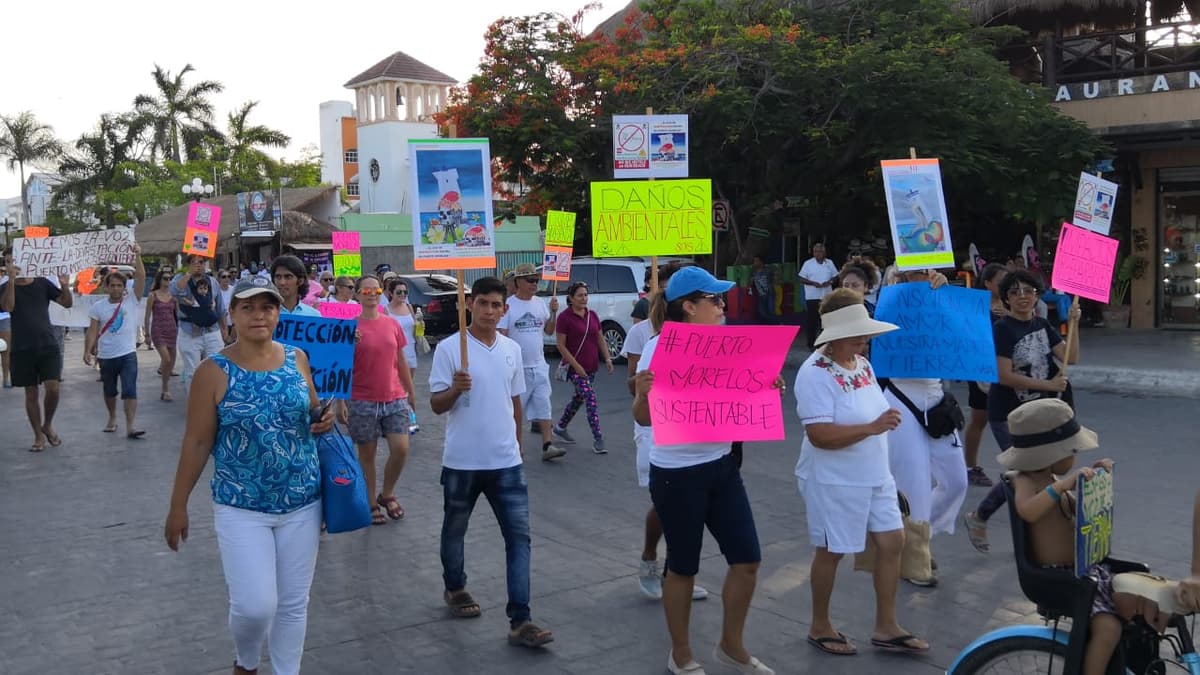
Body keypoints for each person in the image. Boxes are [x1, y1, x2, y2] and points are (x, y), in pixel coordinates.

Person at [164, 276, 333, 675]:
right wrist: (178, 506)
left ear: (278, 312)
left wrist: (322, 421)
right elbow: (197, 442)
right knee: (256, 606)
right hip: (241, 506)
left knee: (294, 604)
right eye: (248, 307)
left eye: (267, 307)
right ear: (232, 314)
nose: (259, 315)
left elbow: (312, 412)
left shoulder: (298, 358)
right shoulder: (213, 370)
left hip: (302, 502)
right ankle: (246, 662)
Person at [633, 266, 779, 675]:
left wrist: (767, 385)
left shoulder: (731, 345)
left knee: (747, 559)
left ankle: (732, 645)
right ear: (689, 307)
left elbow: (745, 395)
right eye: (714, 300)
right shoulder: (659, 348)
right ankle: (680, 653)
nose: (721, 305)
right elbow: (643, 418)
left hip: (722, 465)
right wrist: (644, 393)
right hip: (676, 473)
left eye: (721, 299)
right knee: (683, 566)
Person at [795, 288, 929, 657]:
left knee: (893, 541)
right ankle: (819, 625)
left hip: (874, 476)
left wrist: (880, 446)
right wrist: (871, 428)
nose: (866, 339)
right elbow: (819, 435)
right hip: (832, 479)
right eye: (859, 333)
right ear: (836, 335)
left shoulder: (864, 365)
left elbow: (876, 418)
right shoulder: (814, 373)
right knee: (831, 551)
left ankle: (886, 626)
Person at [429, 276, 554, 649]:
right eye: (482, 303)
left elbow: (515, 402)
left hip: (506, 464)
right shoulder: (451, 350)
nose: (488, 311)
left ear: (504, 309)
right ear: (470, 306)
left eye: (495, 305)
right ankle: (455, 587)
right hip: (462, 462)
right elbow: (436, 404)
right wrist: (455, 389)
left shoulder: (511, 349)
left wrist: (516, 445)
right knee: (455, 529)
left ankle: (521, 619)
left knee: (519, 539)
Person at [1002, 398, 1167, 675]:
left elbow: (1077, 512)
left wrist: (1095, 482)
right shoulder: (1025, 480)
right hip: (1061, 577)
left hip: (1086, 569)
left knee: (1147, 598)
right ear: (1050, 453)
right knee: (1108, 627)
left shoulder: (1053, 479)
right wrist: (1064, 485)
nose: (1075, 456)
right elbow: (1028, 511)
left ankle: (1134, 662)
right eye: (1072, 450)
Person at [964, 269, 1082, 552]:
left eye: (1028, 291)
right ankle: (985, 518)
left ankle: (1003, 525)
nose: (1022, 297)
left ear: (1037, 295)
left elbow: (1072, 357)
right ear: (1006, 298)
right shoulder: (1002, 329)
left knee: (1030, 473)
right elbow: (1003, 375)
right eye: (1015, 292)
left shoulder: (1042, 324)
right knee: (1025, 472)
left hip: (1037, 413)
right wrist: (1048, 383)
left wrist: (1074, 324)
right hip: (1008, 413)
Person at [879, 269, 966, 587]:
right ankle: (915, 557)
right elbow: (883, 335)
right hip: (901, 399)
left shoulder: (939, 292)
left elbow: (962, 335)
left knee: (957, 481)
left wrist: (941, 296)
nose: (920, 273)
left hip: (936, 397)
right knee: (912, 484)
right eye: (911, 271)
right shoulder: (892, 295)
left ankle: (920, 536)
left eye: (924, 270)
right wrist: (896, 288)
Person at [338, 275, 416, 524]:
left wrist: (411, 392)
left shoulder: (391, 324)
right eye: (365, 290)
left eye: (376, 290)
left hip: (394, 398)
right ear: (357, 294)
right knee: (367, 454)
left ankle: (388, 492)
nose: (371, 294)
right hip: (361, 399)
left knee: (401, 449)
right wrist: (340, 401)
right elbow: (341, 366)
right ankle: (371, 501)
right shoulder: (349, 327)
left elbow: (400, 360)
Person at [3, 250, 73, 451]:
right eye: (7, 262)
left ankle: (48, 423)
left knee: (53, 388)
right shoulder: (5, 288)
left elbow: (66, 303)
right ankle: (38, 436)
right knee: (31, 393)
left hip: (47, 344)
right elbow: (8, 307)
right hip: (22, 348)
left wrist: (65, 285)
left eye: (14, 261)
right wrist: (10, 281)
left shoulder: (41, 283)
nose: (11, 265)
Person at [497, 263, 565, 461]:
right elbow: (502, 335)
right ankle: (514, 445)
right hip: (519, 368)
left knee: (544, 406)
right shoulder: (509, 306)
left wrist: (553, 313)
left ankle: (548, 444)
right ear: (518, 282)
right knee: (515, 411)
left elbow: (549, 330)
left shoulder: (539, 303)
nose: (535, 284)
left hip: (539, 365)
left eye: (536, 280)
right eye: (530, 280)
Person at [84, 246, 147, 438]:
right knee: (109, 390)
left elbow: (142, 278)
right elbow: (93, 330)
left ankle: (131, 425)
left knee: (129, 389)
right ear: (106, 287)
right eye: (113, 285)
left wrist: (138, 255)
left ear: (124, 287)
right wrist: (87, 350)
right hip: (106, 355)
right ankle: (112, 417)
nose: (116, 288)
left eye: (120, 285)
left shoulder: (131, 300)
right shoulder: (98, 307)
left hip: (128, 354)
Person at [552, 281, 614, 453]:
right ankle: (598, 439)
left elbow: (600, 338)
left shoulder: (592, 315)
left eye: (586, 295)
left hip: (591, 365)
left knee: (579, 399)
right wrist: (576, 367)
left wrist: (607, 358)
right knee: (590, 398)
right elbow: (561, 346)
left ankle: (560, 427)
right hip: (575, 368)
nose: (584, 298)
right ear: (571, 298)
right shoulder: (564, 318)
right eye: (580, 295)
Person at [963, 263, 1009, 487]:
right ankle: (971, 467)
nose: (1005, 286)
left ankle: (1019, 468)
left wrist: (1009, 313)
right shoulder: (975, 305)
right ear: (988, 283)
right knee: (979, 419)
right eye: (1001, 281)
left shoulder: (1012, 303)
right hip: (981, 370)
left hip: (1008, 369)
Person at [172, 256, 229, 389]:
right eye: (193, 262)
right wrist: (189, 274)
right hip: (190, 331)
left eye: (201, 262)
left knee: (216, 368)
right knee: (192, 372)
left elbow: (220, 308)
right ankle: (194, 406)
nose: (198, 265)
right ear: (188, 264)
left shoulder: (212, 281)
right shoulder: (180, 279)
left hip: (212, 330)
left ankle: (213, 404)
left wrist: (224, 329)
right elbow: (174, 290)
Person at [145, 270, 180, 401]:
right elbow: (147, 315)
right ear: (160, 280)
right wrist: (147, 334)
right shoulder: (152, 296)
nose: (168, 281)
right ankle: (165, 389)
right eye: (165, 278)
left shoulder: (174, 296)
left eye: (170, 279)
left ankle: (165, 386)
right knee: (166, 359)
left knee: (171, 361)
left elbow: (178, 315)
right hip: (158, 330)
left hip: (172, 330)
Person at [798, 242, 840, 350]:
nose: (818, 253)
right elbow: (801, 278)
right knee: (812, 321)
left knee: (825, 321)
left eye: (820, 251)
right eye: (816, 251)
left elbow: (836, 276)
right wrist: (813, 283)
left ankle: (823, 343)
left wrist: (829, 282)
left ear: (824, 252)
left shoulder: (829, 263)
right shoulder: (808, 263)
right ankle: (811, 344)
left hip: (826, 296)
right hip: (812, 296)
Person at [384, 276, 419, 372]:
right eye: (399, 292)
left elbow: (414, 327)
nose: (403, 294)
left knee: (409, 384)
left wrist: (419, 325)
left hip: (410, 349)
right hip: (394, 351)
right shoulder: (385, 310)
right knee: (396, 383)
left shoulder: (409, 307)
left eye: (405, 292)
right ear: (391, 293)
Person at [750, 255, 776, 324]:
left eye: (756, 261)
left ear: (761, 262)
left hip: (770, 293)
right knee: (762, 312)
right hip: (760, 295)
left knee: (771, 310)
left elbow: (776, 278)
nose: (754, 263)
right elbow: (750, 283)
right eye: (754, 261)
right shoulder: (753, 272)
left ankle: (774, 327)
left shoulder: (768, 270)